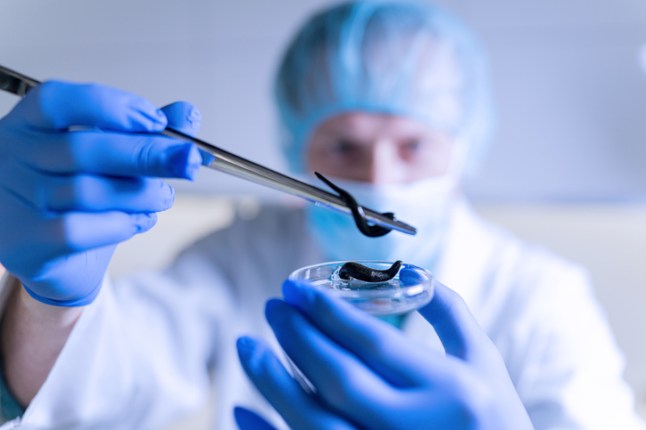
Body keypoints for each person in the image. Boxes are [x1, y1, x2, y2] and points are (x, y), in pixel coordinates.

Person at [0, 1, 641, 429]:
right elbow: (98, 384)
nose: (381, 179)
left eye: (413, 146)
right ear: (297, 149)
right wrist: (52, 297)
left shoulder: (540, 296)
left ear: (462, 144)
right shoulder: (238, 258)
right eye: (345, 147)